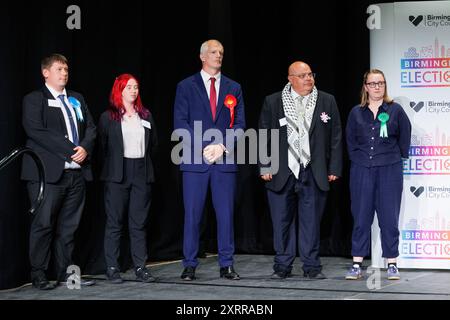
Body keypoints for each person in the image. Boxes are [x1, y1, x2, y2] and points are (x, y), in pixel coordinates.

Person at [259, 61, 343, 279]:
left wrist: (334, 167)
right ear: (291, 78)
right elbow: (263, 135)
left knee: (311, 223)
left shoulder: (327, 100)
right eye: (303, 75)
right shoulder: (273, 101)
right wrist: (265, 165)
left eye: (310, 74)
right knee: (281, 222)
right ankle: (282, 267)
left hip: (313, 170)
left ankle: (312, 267)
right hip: (282, 170)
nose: (309, 79)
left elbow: (335, 136)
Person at [21, 53, 97, 289]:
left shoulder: (76, 98)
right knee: (43, 225)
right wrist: (71, 150)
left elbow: (91, 128)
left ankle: (66, 273)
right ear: (46, 72)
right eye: (58, 69)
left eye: (66, 69)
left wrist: (84, 147)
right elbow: (36, 130)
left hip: (76, 174)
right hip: (47, 175)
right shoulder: (34, 99)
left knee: (69, 228)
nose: (64, 73)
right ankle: (39, 274)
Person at [173, 39, 246, 281]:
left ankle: (226, 264)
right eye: (214, 52)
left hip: (224, 161)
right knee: (193, 215)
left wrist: (222, 146)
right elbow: (180, 124)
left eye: (221, 52)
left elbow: (240, 125)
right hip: (196, 160)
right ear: (203, 56)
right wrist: (206, 147)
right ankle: (189, 264)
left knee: (225, 215)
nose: (219, 55)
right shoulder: (186, 86)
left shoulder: (233, 87)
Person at [345, 69, 411, 280]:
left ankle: (392, 263)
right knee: (361, 217)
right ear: (365, 87)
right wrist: (360, 160)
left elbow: (405, 137)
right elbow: (350, 141)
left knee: (389, 218)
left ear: (385, 85)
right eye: (373, 83)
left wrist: (392, 157)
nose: (377, 87)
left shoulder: (396, 110)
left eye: (380, 83)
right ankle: (357, 264)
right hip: (362, 170)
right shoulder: (356, 112)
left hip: (389, 170)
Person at [99, 74, 158, 283]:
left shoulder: (146, 115)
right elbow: (103, 147)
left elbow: (154, 146)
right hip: (117, 172)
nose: (133, 91)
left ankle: (140, 267)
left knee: (138, 223)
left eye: (136, 87)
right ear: (120, 90)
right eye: (129, 87)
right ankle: (112, 267)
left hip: (141, 172)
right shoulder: (109, 117)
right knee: (115, 222)